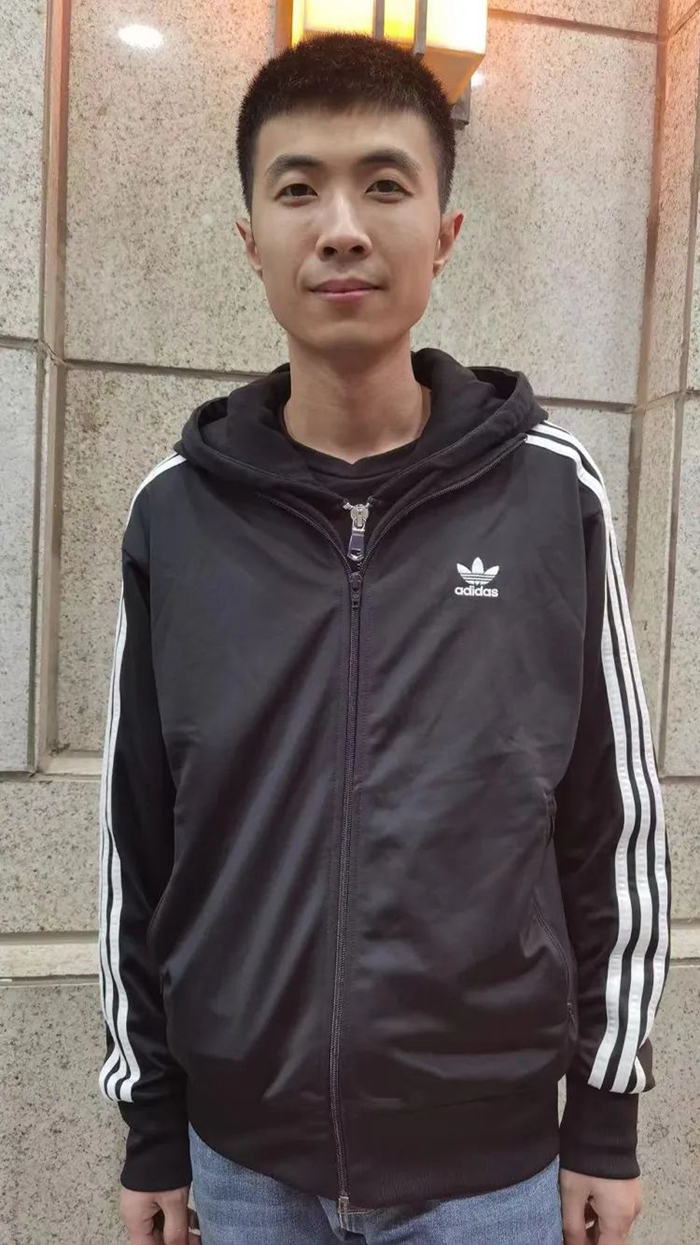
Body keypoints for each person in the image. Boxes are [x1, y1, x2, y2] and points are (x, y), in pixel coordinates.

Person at [98, 30, 671, 1245]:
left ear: (444, 233)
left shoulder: (549, 494)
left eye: (384, 184)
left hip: (489, 1174)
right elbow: (136, 837)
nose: (342, 228)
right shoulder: (175, 514)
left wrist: (604, 1114)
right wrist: (151, 1120)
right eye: (298, 188)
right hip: (243, 1166)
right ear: (250, 236)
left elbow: (610, 820)